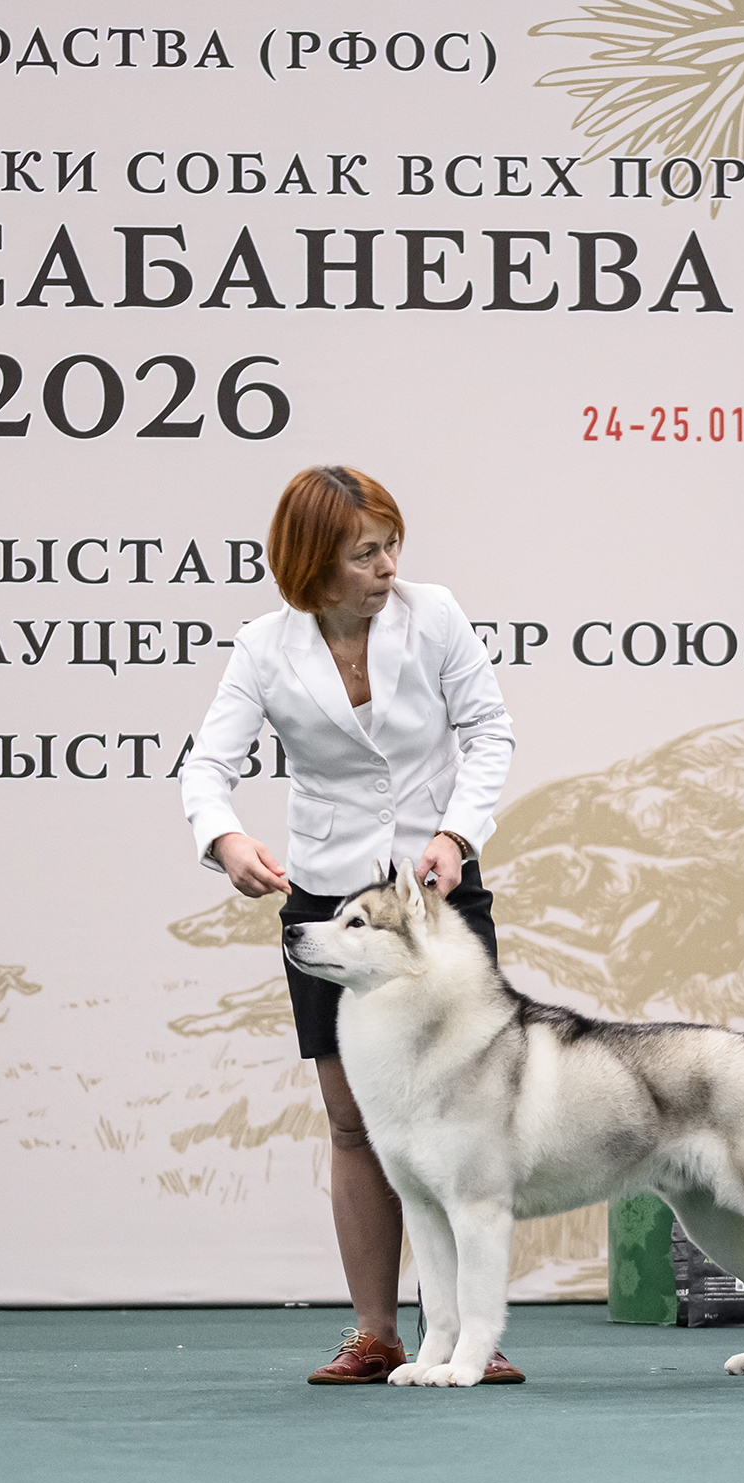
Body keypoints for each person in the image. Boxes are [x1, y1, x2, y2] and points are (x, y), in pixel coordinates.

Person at [179, 465, 524, 1384]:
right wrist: (224, 839)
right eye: (365, 554)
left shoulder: (435, 614)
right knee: (352, 1122)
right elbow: (207, 768)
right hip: (329, 907)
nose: (387, 567)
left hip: (436, 895)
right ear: (312, 565)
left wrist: (456, 834)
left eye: (391, 546)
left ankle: (470, 1336)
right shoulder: (263, 647)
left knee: (461, 1119)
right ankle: (376, 1334)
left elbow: (490, 732)